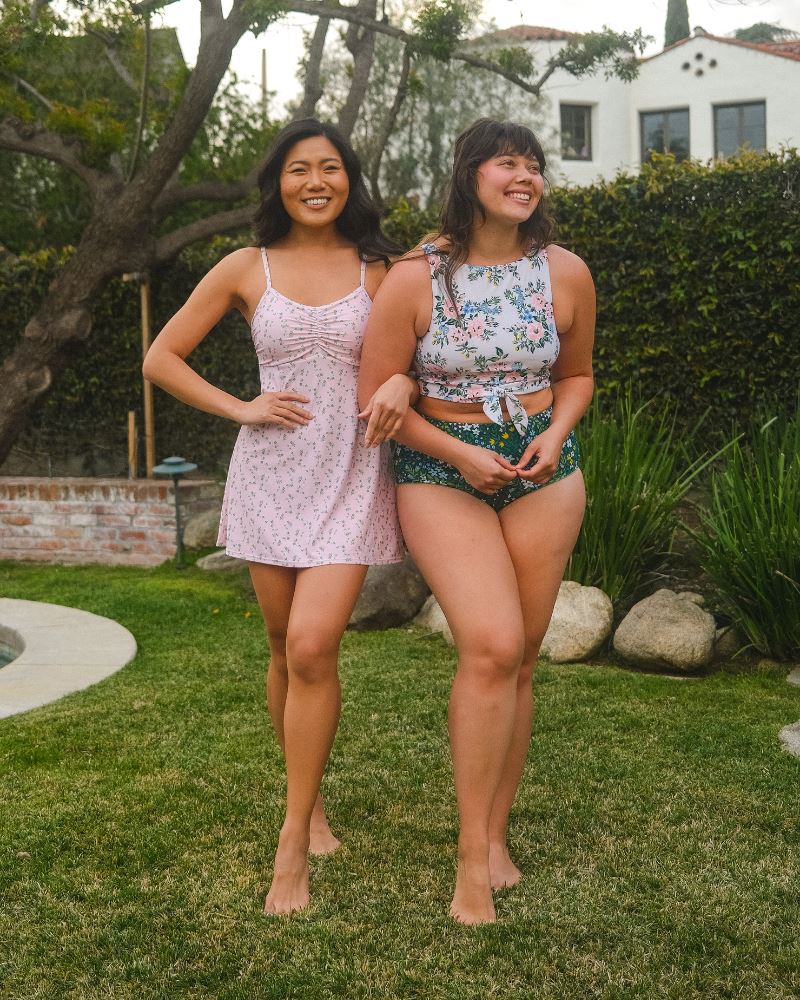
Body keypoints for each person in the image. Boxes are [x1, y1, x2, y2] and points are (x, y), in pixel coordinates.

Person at [143, 118, 415, 915]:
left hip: (351, 474)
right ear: (278, 183)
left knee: (311, 642)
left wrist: (401, 387)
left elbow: (425, 352)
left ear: (351, 180)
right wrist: (243, 408)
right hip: (269, 475)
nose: (316, 181)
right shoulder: (244, 266)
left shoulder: (384, 268)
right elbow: (160, 357)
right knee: (280, 647)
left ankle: (291, 838)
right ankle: (314, 800)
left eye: (331, 168)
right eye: (300, 169)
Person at [358, 118, 595, 925]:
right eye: (508, 162)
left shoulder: (565, 272)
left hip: (543, 473)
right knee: (489, 646)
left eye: (534, 166)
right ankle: (468, 861)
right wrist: (458, 454)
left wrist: (556, 434)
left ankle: (496, 837)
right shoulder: (413, 277)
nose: (524, 176)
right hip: (440, 469)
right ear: (471, 175)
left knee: (522, 658)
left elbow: (580, 374)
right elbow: (376, 392)